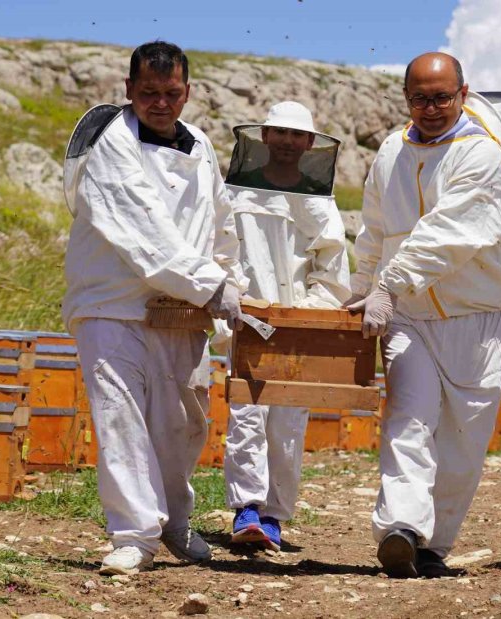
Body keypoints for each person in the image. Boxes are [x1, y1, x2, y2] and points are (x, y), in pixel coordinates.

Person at [62, 41, 247, 576]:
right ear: (128, 91)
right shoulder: (109, 144)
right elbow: (141, 230)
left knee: (182, 422)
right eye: (149, 93)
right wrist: (211, 284)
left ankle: (173, 522)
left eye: (171, 93)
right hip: (111, 304)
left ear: (187, 93)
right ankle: (132, 535)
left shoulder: (202, 147)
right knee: (120, 420)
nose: (160, 103)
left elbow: (221, 223)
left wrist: (227, 281)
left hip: (182, 311)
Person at [348, 52, 501, 578]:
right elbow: (373, 232)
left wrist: (388, 285)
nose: (431, 107)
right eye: (420, 97)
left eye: (442, 96)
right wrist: (363, 294)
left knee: (463, 441)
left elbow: (449, 233)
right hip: (408, 316)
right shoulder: (390, 152)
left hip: (476, 318)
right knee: (408, 418)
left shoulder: (481, 154)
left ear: (464, 94)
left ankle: (433, 545)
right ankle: (401, 527)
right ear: (406, 99)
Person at [217, 101, 352, 551]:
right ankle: (247, 510)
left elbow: (331, 267)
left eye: (297, 136)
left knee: (289, 420)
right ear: (265, 137)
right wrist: (239, 297)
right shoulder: (235, 193)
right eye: (280, 134)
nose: (289, 143)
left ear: (311, 143)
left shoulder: (320, 201)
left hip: (300, 326)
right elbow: (222, 249)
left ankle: (274, 515)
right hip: (248, 319)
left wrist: (309, 314)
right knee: (247, 413)